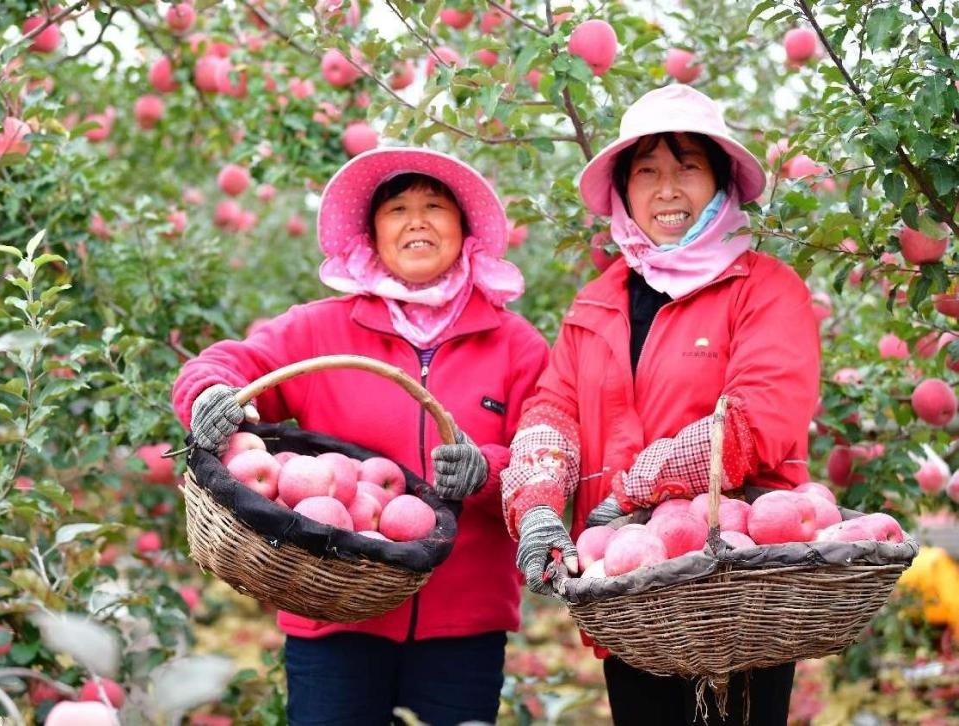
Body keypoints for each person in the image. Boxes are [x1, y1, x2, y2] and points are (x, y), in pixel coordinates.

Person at [171, 147, 549, 726]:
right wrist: (208, 393)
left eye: (434, 206)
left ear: (464, 228)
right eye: (397, 209)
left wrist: (489, 470)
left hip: (463, 622)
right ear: (373, 235)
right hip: (333, 608)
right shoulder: (321, 328)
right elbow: (233, 363)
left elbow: (544, 454)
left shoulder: (515, 344)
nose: (416, 220)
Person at [499, 84, 821, 725]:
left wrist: (637, 488)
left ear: (721, 182)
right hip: (630, 591)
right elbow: (552, 409)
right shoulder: (597, 301)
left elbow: (759, 417)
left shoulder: (764, 288)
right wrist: (537, 506)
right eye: (646, 171)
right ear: (623, 191)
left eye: (687, 168)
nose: (667, 189)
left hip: (736, 584)